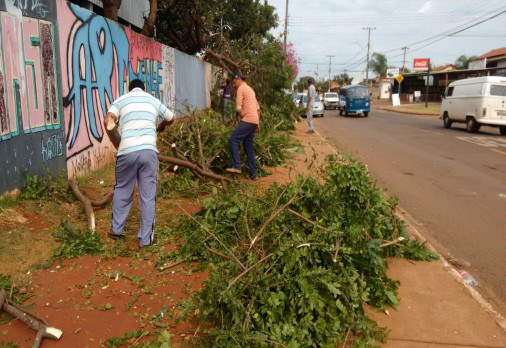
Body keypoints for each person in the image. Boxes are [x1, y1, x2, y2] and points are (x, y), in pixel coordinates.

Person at [104, 79, 174, 247]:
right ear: (143, 89)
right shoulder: (152, 100)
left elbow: (108, 121)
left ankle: (116, 230)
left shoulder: (121, 100)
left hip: (126, 152)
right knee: (148, 196)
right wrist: (160, 126)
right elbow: (171, 118)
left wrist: (118, 143)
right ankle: (145, 240)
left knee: (122, 189)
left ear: (130, 89)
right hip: (148, 153)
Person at [225, 72, 260, 180]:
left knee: (232, 140)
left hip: (248, 119)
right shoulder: (250, 89)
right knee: (248, 146)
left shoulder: (241, 89)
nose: (234, 85)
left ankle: (236, 166)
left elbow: (238, 108)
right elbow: (258, 108)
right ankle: (254, 174)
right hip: (253, 120)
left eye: (234, 83)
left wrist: (238, 116)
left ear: (239, 79)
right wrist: (257, 123)